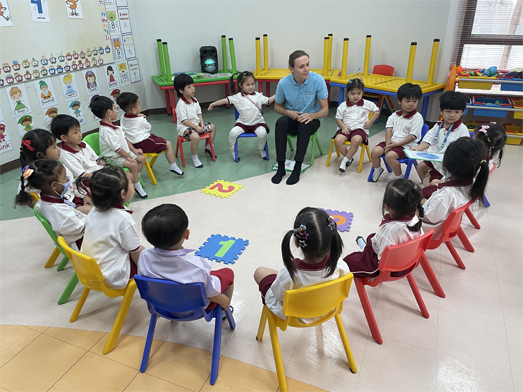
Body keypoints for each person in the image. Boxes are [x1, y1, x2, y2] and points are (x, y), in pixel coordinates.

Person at [253, 207, 349, 322]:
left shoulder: (290, 274)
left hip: (295, 316)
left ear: (296, 242)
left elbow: (278, 294)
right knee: (280, 278)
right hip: (327, 308)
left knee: (259, 272)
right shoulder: (341, 265)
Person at [139, 204, 235, 311]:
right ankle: (224, 312)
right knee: (228, 273)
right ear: (187, 234)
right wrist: (224, 301)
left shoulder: (144, 255)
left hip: (160, 305)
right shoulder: (197, 267)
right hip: (194, 309)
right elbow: (210, 293)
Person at [343, 178, 424, 278]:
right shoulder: (416, 219)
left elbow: (382, 262)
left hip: (385, 267)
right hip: (408, 261)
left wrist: (378, 275)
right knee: (371, 237)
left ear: (387, 206)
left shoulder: (391, 230)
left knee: (347, 262)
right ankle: (364, 249)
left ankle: (364, 250)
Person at [271, 51, 329, 185]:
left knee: (304, 124)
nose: (306, 69)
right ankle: (281, 167)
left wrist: (312, 115)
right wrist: (288, 112)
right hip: (293, 117)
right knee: (281, 123)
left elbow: (325, 111)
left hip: (312, 119)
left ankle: (297, 167)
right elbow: (277, 107)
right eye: (302, 66)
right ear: (292, 69)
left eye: (308, 64)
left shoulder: (317, 80)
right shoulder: (283, 83)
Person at [81, 167, 144, 289]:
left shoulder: (94, 211)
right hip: (113, 277)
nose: (132, 183)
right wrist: (146, 273)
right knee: (145, 255)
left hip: (89, 271)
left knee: (140, 248)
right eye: (131, 183)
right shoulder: (123, 219)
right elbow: (135, 252)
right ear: (123, 193)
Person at [421, 138, 489, 235]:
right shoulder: (473, 182)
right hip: (443, 218)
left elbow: (428, 218)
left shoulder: (445, 195)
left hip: (427, 230)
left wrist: (417, 205)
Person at [15, 159, 86, 250]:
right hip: (82, 243)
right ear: (54, 185)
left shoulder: (45, 200)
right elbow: (79, 228)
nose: (68, 179)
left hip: (78, 230)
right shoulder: (58, 210)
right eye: (64, 178)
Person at [16, 129, 91, 212]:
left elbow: (72, 183)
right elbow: (26, 197)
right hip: (69, 209)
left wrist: (84, 196)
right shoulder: (32, 178)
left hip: (76, 198)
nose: (59, 149)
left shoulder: (57, 167)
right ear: (40, 155)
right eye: (54, 147)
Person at [89, 95, 148, 198]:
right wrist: (129, 157)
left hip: (124, 154)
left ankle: (134, 179)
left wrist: (133, 150)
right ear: (109, 112)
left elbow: (124, 138)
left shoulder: (114, 125)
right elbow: (117, 149)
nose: (116, 111)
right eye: (114, 108)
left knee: (142, 158)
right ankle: (137, 185)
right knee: (134, 164)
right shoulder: (106, 130)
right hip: (113, 158)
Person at [208, 71, 275, 161]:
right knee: (233, 133)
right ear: (240, 85)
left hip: (258, 123)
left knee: (263, 133)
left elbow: (268, 101)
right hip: (242, 124)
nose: (251, 87)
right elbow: (225, 100)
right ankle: (232, 150)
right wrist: (212, 104)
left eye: (252, 84)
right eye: (247, 85)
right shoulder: (237, 97)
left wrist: (278, 93)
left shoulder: (258, 96)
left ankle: (261, 149)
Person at [116, 92, 183, 176]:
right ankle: (173, 166)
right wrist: (141, 117)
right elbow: (148, 127)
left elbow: (131, 119)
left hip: (132, 144)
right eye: (139, 105)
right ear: (133, 110)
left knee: (156, 138)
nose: (140, 106)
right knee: (168, 144)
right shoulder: (140, 119)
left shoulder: (123, 117)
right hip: (144, 142)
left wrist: (137, 115)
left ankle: (158, 149)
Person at [411, 91, 470, 187]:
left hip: (449, 164)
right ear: (441, 111)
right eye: (448, 111)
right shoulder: (438, 125)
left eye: (457, 112)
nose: (452, 115)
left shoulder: (462, 129)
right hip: (435, 158)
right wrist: (417, 148)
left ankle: (431, 187)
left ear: (462, 112)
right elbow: (428, 140)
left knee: (428, 179)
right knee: (420, 167)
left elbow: (465, 149)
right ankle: (430, 187)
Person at [370, 83, 424, 182]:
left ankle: (399, 178)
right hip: (392, 142)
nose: (411, 104)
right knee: (375, 152)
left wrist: (396, 144)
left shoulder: (417, 117)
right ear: (399, 101)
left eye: (415, 101)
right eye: (407, 101)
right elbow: (389, 130)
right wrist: (388, 144)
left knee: (389, 156)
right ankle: (378, 170)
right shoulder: (394, 115)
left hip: (406, 146)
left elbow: (413, 136)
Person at [333, 78, 379, 173]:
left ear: (362, 92)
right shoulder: (343, 105)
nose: (356, 96)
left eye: (359, 93)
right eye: (352, 93)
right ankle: (349, 158)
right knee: (337, 141)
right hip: (346, 128)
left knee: (356, 140)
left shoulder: (366, 103)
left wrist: (371, 121)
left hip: (360, 129)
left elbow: (377, 111)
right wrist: (343, 127)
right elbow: (338, 118)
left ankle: (345, 160)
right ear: (347, 93)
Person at [174, 73, 217, 168]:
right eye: (189, 87)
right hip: (185, 128)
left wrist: (201, 124)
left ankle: (209, 147)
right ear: (181, 90)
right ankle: (195, 157)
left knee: (213, 127)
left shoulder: (195, 100)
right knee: (195, 137)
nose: (193, 88)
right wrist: (197, 127)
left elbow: (199, 114)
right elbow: (184, 121)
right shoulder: (181, 104)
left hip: (197, 125)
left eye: (193, 86)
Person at [50, 114, 105, 179]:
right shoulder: (66, 155)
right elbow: (82, 175)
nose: (80, 134)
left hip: (99, 173)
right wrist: (102, 176)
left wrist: (107, 169)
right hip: (87, 179)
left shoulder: (84, 144)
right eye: (75, 132)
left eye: (79, 130)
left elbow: (98, 161)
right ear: (64, 137)